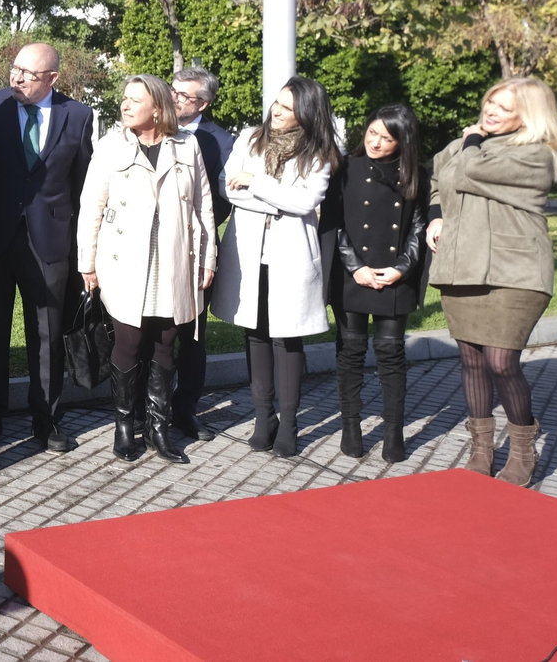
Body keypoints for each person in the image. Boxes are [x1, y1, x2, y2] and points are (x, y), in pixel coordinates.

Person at [426, 77, 557, 487]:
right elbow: (438, 178)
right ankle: (481, 451)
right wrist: (436, 215)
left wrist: (470, 142)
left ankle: (523, 449)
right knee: (471, 360)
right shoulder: (466, 143)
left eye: (503, 107)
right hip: (461, 266)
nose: (491, 111)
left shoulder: (536, 155)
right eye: (490, 102)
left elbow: (467, 171)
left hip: (516, 270)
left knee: (501, 362)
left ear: (529, 114)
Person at [0, 42, 94, 452]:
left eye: (28, 74)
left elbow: (83, 184)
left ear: (52, 78)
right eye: (15, 69)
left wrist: (84, 247)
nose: (16, 78)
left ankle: (47, 419)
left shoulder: (78, 115)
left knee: (47, 334)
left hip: (50, 242)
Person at [78, 76, 217, 464]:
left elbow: (203, 206)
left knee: (165, 344)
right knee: (128, 343)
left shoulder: (187, 145)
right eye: (123, 98)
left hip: (174, 261)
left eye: (133, 100)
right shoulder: (110, 146)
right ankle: (125, 427)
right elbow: (90, 207)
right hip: (125, 263)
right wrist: (86, 263)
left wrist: (208, 257)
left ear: (157, 107)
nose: (124, 105)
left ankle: (159, 429)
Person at [212, 76, 340, 457]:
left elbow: (305, 203)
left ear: (307, 113)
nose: (276, 111)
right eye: (277, 103)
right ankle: (262, 416)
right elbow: (226, 187)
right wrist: (273, 197)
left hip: (291, 256)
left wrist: (256, 182)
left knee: (288, 337)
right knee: (255, 333)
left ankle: (289, 420)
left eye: (287, 107)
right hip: (250, 253)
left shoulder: (319, 152)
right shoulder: (250, 137)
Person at [327, 104, 427, 464]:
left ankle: (393, 433)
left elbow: (418, 224)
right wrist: (355, 266)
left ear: (402, 141)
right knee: (350, 353)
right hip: (352, 275)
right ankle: (351, 428)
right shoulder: (345, 168)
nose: (376, 142)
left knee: (391, 354)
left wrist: (402, 267)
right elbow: (334, 222)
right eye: (372, 133)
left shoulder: (414, 174)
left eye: (386, 138)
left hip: (394, 278)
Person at [169, 67, 235, 439]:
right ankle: (151, 406)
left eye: (184, 95)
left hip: (197, 248)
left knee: (192, 335)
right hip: (150, 248)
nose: (175, 98)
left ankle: (186, 409)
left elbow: (223, 202)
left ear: (203, 103)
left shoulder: (220, 141)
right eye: (173, 90)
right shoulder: (151, 126)